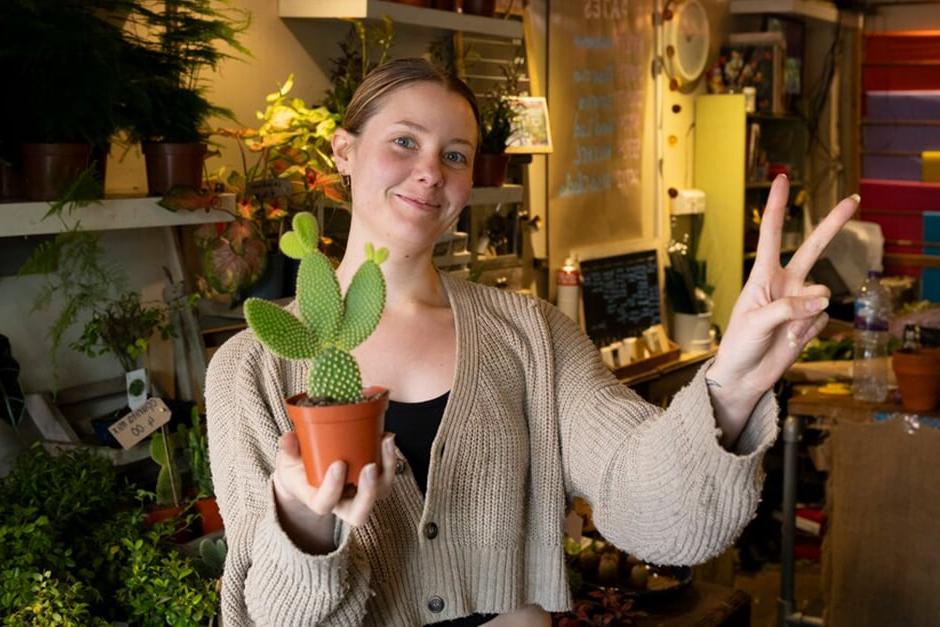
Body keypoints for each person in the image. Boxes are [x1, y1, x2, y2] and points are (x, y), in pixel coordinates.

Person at [205, 58, 858, 627]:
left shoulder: (532, 335)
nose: (430, 171)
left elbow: (657, 509)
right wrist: (305, 522)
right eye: (404, 142)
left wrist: (732, 385)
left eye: (455, 154)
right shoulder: (250, 369)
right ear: (344, 152)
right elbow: (270, 613)